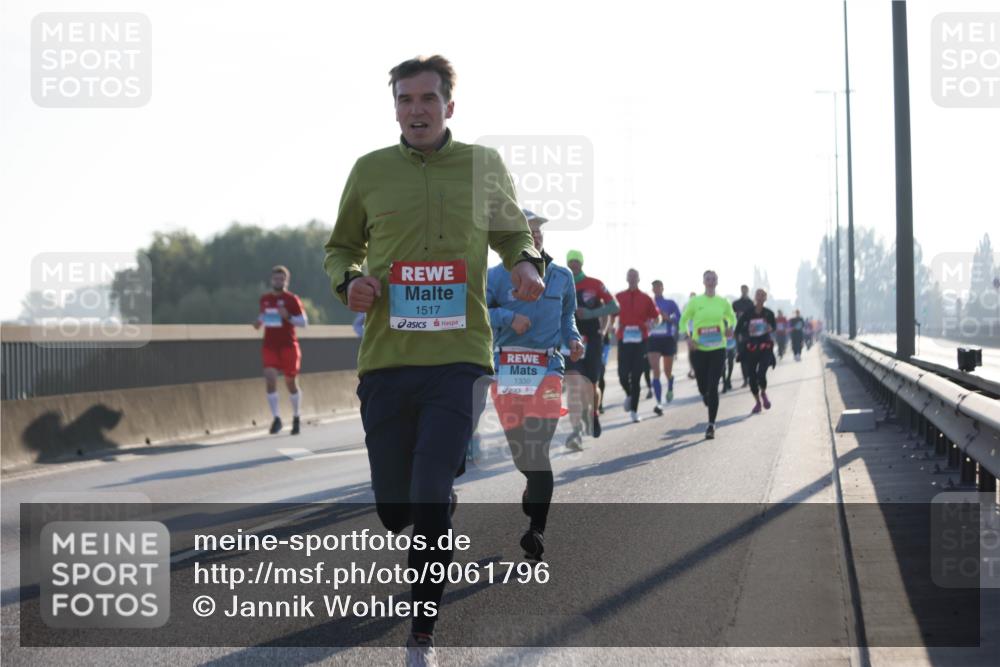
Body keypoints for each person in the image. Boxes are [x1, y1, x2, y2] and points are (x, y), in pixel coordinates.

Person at [323, 55, 545, 666]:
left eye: (427, 99)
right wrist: (350, 282)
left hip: (460, 357)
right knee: (397, 509)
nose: (415, 110)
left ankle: (422, 628)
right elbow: (341, 247)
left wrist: (526, 262)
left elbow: (511, 233)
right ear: (394, 106)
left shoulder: (482, 165)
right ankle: (434, 506)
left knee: (426, 490)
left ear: (450, 105)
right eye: (404, 100)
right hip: (387, 359)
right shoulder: (368, 171)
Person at [487, 210, 583, 560]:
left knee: (539, 449)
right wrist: (509, 317)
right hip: (509, 367)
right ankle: (533, 488)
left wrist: (573, 338)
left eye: (539, 231)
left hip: (548, 369)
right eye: (529, 232)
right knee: (521, 451)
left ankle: (536, 532)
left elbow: (568, 314)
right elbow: (480, 311)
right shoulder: (496, 277)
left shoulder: (560, 276)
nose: (537, 237)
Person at [565, 250, 619, 449]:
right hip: (570, 343)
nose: (573, 265)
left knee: (591, 386)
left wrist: (591, 313)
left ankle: (594, 413)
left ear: (582, 263)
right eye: (570, 262)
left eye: (576, 261)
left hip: (593, 341)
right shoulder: (561, 283)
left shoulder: (594, 284)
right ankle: (576, 432)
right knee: (573, 386)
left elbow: (614, 307)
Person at [679, 270, 738, 439]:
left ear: (717, 282)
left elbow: (732, 317)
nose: (711, 281)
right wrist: (687, 337)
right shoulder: (696, 302)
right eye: (708, 279)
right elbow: (683, 320)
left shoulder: (723, 302)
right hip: (699, 350)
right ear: (703, 282)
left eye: (713, 279)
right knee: (702, 386)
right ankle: (705, 394)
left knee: (713, 387)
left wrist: (730, 327)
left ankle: (711, 424)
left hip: (718, 349)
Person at [253, 265, 308, 435]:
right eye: (276, 278)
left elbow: (304, 322)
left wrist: (289, 316)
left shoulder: (292, 299)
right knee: (270, 380)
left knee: (291, 383)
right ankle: (277, 418)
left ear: (286, 280)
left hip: (289, 346)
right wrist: (258, 322)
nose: (278, 281)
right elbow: (263, 317)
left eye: (281, 278)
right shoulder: (265, 299)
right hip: (270, 345)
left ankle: (296, 416)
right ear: (272, 280)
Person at [615, 269, 661, 423]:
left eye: (635, 276)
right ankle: (629, 394)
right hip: (624, 340)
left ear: (639, 279)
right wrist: (609, 326)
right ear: (627, 278)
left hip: (641, 342)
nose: (633, 279)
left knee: (636, 377)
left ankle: (634, 412)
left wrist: (652, 324)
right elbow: (610, 313)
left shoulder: (646, 298)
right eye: (630, 276)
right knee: (622, 375)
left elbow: (657, 317)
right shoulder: (619, 297)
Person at [735, 289, 777, 414]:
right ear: (755, 297)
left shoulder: (769, 313)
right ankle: (757, 402)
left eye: (762, 295)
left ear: (765, 298)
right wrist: (743, 337)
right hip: (750, 348)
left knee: (761, 373)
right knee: (752, 378)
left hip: (765, 347)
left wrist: (770, 328)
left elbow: (774, 327)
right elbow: (738, 330)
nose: (760, 297)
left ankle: (763, 393)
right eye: (758, 294)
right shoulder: (747, 313)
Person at [648, 280, 681, 413]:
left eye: (659, 287)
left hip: (667, 339)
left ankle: (670, 383)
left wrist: (669, 318)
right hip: (653, 339)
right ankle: (659, 403)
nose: (656, 289)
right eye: (654, 287)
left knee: (667, 371)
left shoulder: (670, 303)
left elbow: (679, 318)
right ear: (652, 289)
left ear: (662, 288)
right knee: (656, 370)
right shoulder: (649, 303)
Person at [731, 285, 754, 388]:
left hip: (750, 333)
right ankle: (746, 379)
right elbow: (730, 316)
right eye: (742, 289)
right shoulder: (736, 304)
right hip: (740, 333)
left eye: (746, 290)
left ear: (748, 291)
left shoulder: (751, 304)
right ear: (741, 290)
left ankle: (751, 376)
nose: (744, 291)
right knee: (742, 357)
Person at [721, 327, 737, 393]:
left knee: (730, 363)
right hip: (722, 346)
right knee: (723, 366)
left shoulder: (732, 320)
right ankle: (724, 383)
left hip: (732, 345)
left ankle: (728, 379)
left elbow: (736, 332)